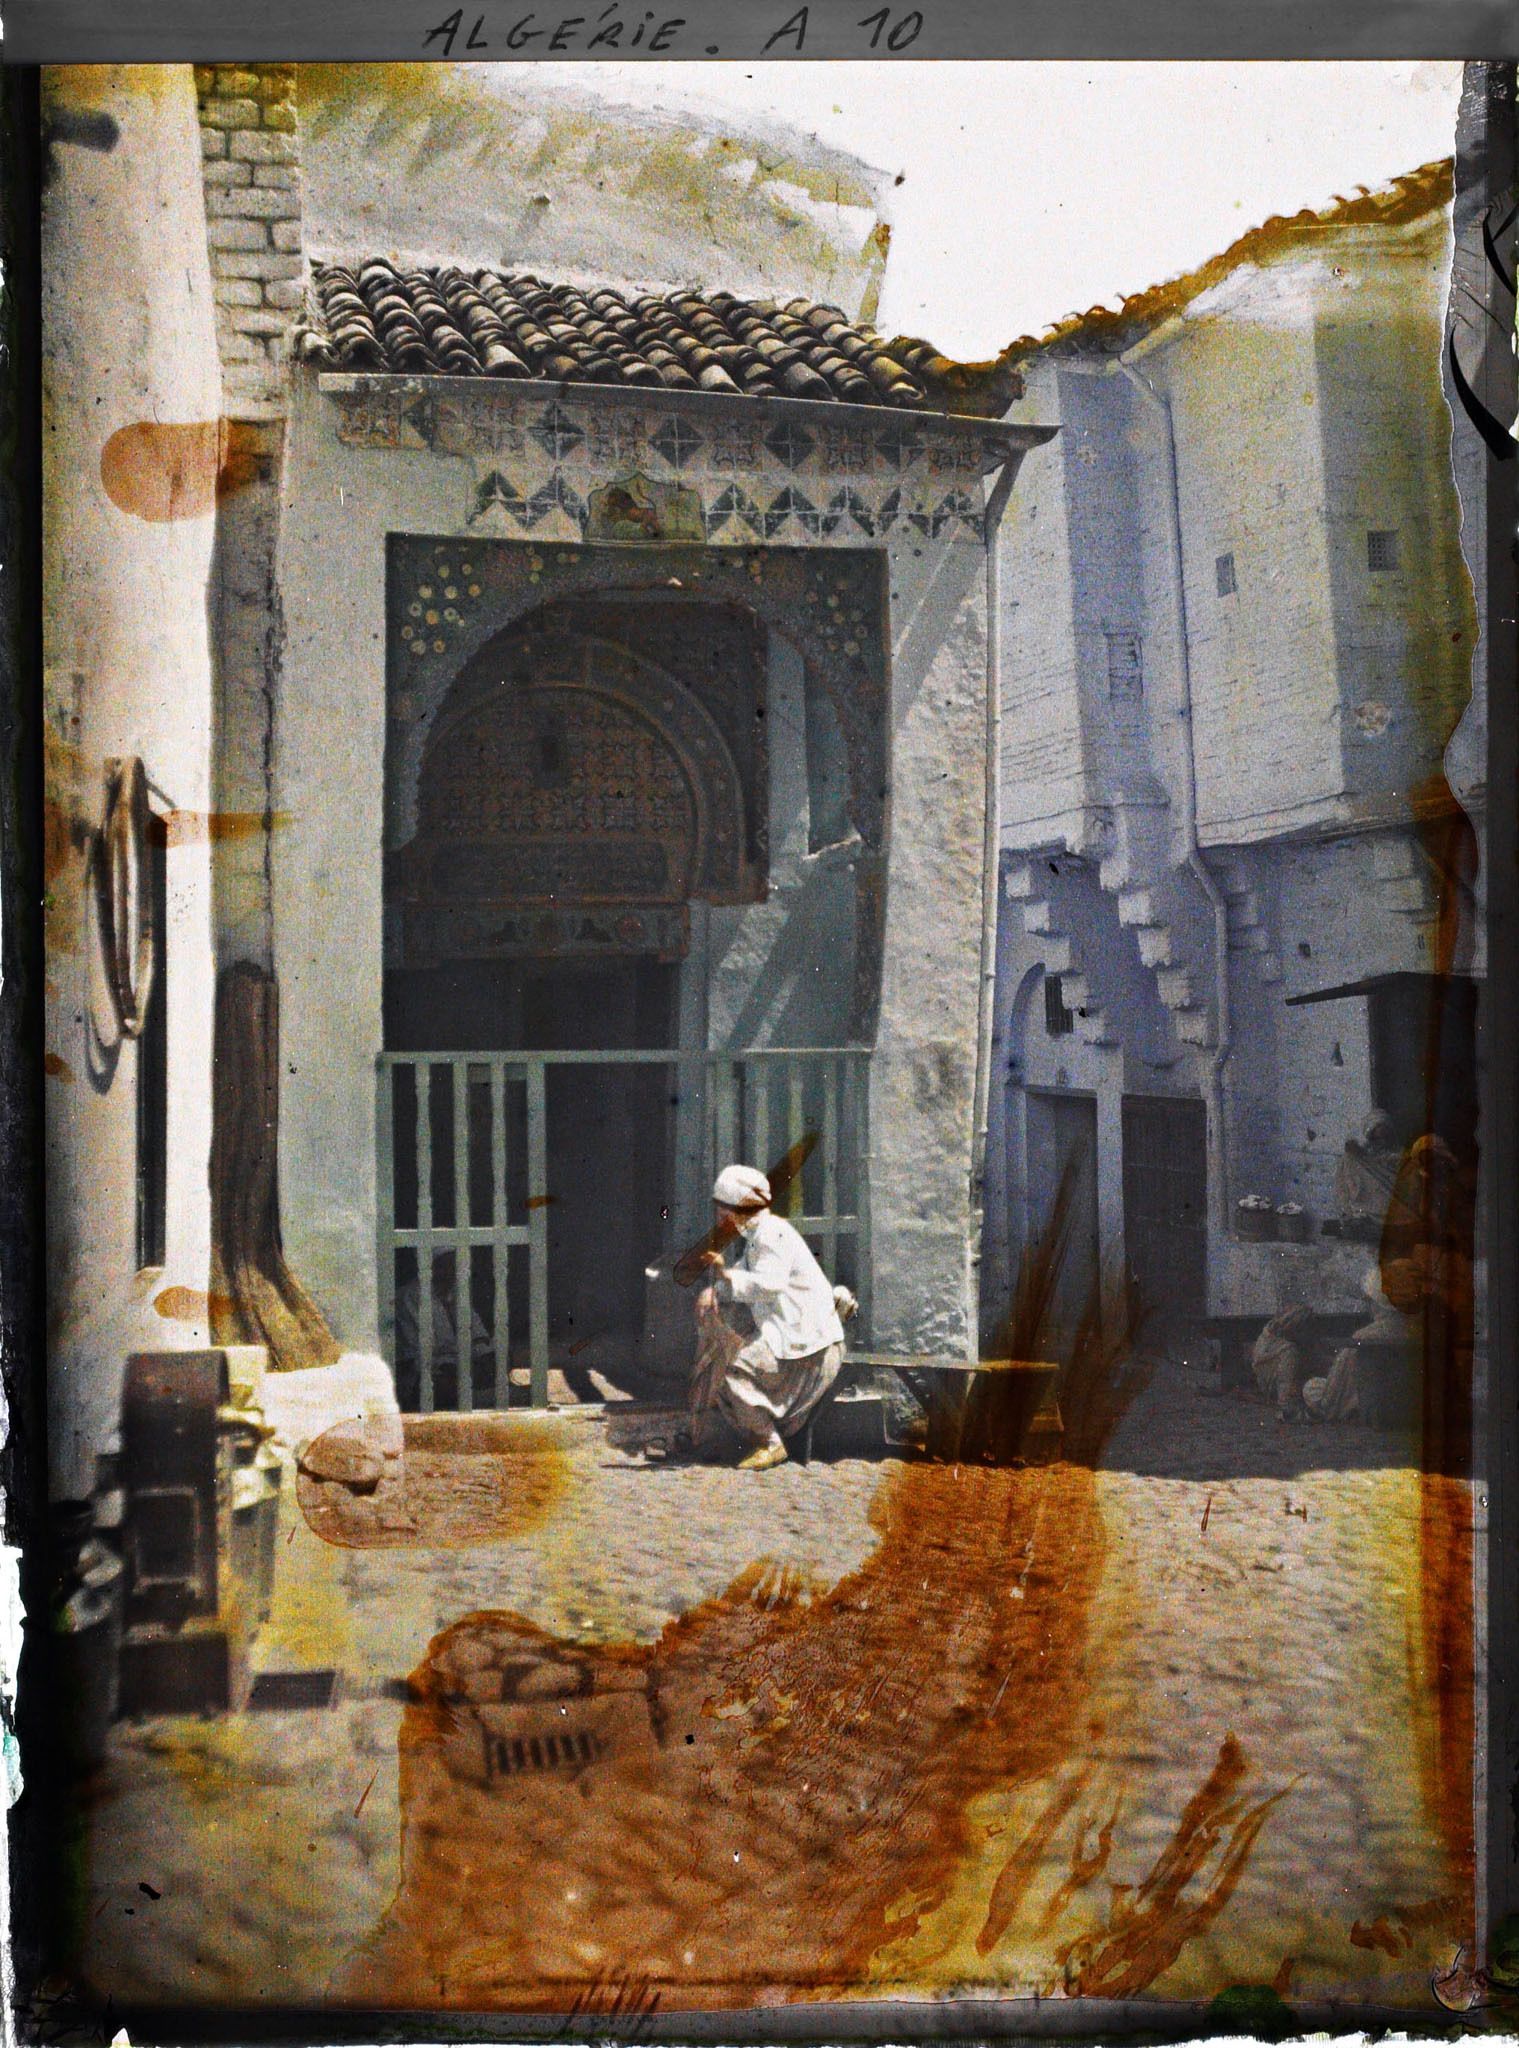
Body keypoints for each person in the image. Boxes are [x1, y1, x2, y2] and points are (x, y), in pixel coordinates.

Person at [689, 1164, 848, 1472]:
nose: (721, 1221)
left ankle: (770, 1443)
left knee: (729, 1365)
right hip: (793, 1341)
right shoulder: (759, 1236)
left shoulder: (771, 1235)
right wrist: (717, 1289)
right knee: (722, 1359)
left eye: (724, 1214)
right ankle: (758, 1435)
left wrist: (724, 1277)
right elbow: (746, 1272)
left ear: (739, 1210)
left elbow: (769, 1284)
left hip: (810, 1349)